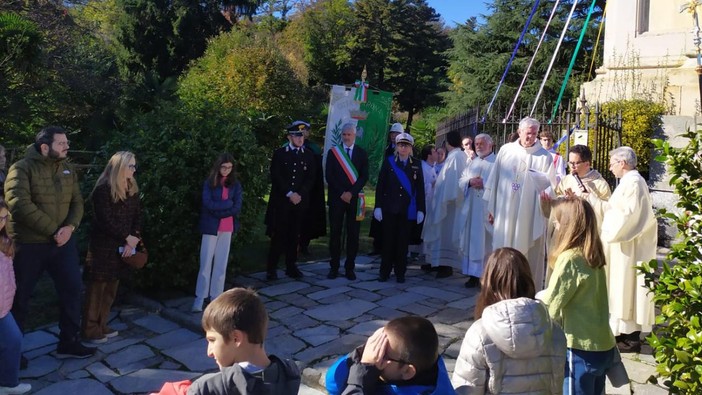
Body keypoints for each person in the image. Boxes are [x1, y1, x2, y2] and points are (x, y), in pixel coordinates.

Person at [5, 126, 95, 360]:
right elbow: (19, 204)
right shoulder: (21, 169)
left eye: (67, 142)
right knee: (19, 298)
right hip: (28, 245)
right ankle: (12, 352)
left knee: (73, 290)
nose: (67, 146)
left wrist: (69, 228)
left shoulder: (67, 168)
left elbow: (78, 202)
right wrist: (55, 230)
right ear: (45, 147)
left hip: (62, 243)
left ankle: (69, 341)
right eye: (61, 143)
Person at [452, 247, 566, 394]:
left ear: (489, 283)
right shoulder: (554, 330)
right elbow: (556, 386)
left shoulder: (480, 333)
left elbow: (466, 389)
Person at [152, 288, 301, 395]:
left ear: (236, 338)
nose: (209, 352)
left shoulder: (209, 388)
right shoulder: (290, 373)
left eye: (212, 340)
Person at [540, 198, 616, 395]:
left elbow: (552, 305)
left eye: (557, 221)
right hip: (602, 343)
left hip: (579, 347)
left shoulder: (570, 259)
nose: (555, 225)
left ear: (568, 225)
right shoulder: (592, 253)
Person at [585, 146, 656, 353]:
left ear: (623, 163)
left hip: (628, 248)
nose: (610, 167)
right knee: (619, 289)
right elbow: (614, 210)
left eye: (612, 163)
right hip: (622, 246)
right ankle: (620, 332)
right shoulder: (627, 182)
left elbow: (628, 217)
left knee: (627, 288)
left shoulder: (633, 183)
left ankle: (630, 337)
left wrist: (608, 232)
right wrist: (593, 200)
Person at [483, 117, 554, 290]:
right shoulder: (506, 150)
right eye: (527, 133)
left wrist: (547, 195)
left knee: (529, 251)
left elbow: (550, 184)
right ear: (520, 131)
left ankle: (526, 288)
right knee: (504, 246)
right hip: (505, 210)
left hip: (529, 214)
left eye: (534, 133)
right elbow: (494, 179)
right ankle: (501, 286)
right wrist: (491, 208)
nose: (530, 137)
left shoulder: (544, 156)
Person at [83, 151, 142, 343]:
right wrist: (126, 237)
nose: (134, 169)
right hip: (103, 248)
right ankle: (90, 328)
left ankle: (102, 323)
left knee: (111, 288)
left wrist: (132, 239)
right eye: (130, 166)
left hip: (122, 248)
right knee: (97, 288)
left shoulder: (131, 187)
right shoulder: (102, 190)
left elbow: (136, 217)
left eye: (134, 166)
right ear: (119, 167)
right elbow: (104, 220)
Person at [326, 316, 455, 395]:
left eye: (384, 354)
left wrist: (359, 380)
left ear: (407, 371)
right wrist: (360, 354)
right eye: (376, 346)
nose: (375, 355)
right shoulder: (430, 369)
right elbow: (333, 383)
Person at [264, 123, 316, 280]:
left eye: (302, 136)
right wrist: (289, 193)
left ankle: (291, 266)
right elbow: (276, 176)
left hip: (299, 202)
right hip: (283, 201)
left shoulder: (308, 154)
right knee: (279, 234)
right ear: (289, 137)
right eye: (296, 136)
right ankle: (271, 268)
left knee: (295, 235)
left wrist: (300, 194)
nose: (300, 139)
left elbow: (310, 178)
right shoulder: (280, 154)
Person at [193, 153, 243, 313]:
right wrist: (226, 205)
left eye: (229, 167)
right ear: (218, 166)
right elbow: (208, 204)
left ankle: (216, 297)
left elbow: (236, 206)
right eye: (224, 167)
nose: (226, 170)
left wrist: (222, 207)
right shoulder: (209, 183)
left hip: (227, 227)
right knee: (205, 263)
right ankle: (200, 297)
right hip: (211, 227)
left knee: (221, 264)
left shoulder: (235, 185)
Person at [373, 133, 425, 283]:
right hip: (389, 208)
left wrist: (421, 209)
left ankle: (400, 272)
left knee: (402, 243)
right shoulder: (389, 162)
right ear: (396, 146)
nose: (403, 147)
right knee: (388, 242)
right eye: (400, 144)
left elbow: (419, 188)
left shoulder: (416, 164)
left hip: (407, 210)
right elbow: (380, 186)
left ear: (410, 148)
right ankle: (384, 272)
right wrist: (378, 206)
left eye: (406, 145)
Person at [326, 123, 369, 280]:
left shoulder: (361, 153)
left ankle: (350, 267)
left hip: (355, 199)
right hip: (337, 198)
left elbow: (364, 176)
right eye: (344, 134)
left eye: (349, 134)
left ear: (354, 135)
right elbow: (329, 176)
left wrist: (351, 192)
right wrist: (342, 193)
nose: (346, 137)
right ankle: (334, 267)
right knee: (335, 233)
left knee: (353, 234)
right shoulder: (333, 153)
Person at [422, 131, 466, 278]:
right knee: (439, 233)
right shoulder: (454, 156)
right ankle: (434, 261)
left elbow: (453, 181)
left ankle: (445, 265)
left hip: (449, 204)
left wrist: (445, 197)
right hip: (443, 200)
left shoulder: (457, 157)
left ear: (448, 143)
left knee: (444, 234)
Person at [454, 134, 495, 288]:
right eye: (476, 143)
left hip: (487, 208)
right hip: (472, 209)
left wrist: (484, 184)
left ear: (490, 145)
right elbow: (461, 180)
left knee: (486, 243)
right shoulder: (472, 162)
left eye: (481, 143)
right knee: (472, 241)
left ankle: (486, 275)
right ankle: (473, 275)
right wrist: (470, 182)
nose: (478, 146)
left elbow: (499, 185)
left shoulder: (497, 162)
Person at [0, 199, 32, 395]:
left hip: (3, 307)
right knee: (12, 339)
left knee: (13, 340)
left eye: (4, 217)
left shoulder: (5, 242)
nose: (2, 222)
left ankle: (7, 383)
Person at [369, 123, 405, 256]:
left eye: (396, 134)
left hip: (397, 189)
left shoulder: (404, 149)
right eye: (392, 133)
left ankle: (390, 246)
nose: (393, 136)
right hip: (385, 186)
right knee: (379, 217)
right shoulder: (386, 148)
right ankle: (377, 245)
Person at [298, 122, 326, 256]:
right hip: (291, 191)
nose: (303, 133)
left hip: (309, 191)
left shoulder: (314, 149)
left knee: (307, 219)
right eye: (300, 131)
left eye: (305, 131)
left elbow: (316, 173)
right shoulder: (287, 148)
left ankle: (304, 244)